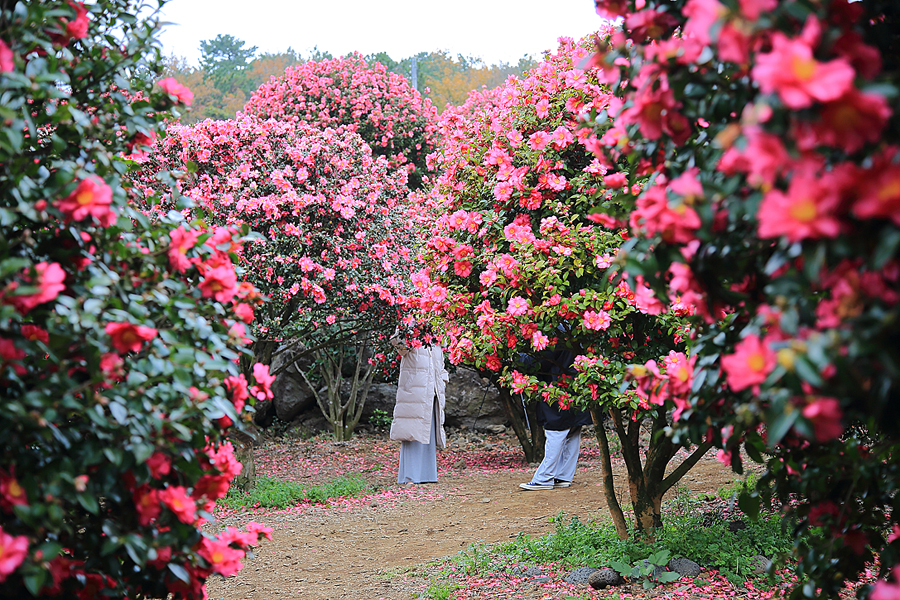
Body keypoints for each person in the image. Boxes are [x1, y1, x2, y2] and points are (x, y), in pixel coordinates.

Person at [519, 348, 592, 491]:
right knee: (572, 431)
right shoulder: (573, 330)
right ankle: (563, 476)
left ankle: (544, 478)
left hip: (558, 389)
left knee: (556, 432)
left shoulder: (556, 333)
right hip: (577, 388)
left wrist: (517, 356)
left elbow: (537, 363)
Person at [389, 337, 449, 484]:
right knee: (412, 431)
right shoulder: (410, 334)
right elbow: (400, 347)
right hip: (413, 391)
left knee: (428, 431)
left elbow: (440, 365)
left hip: (432, 391)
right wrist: (405, 331)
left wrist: (443, 381)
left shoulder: (437, 340)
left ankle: (427, 475)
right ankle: (410, 476)